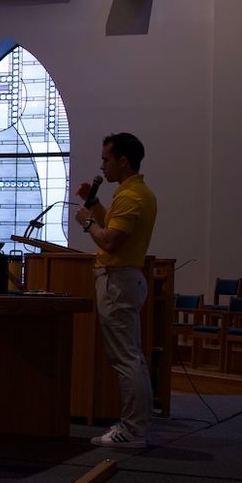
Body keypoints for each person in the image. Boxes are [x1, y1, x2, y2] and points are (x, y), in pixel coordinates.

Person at [74, 131, 160, 448]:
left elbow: (109, 241)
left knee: (126, 358)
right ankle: (136, 425)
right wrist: (94, 205)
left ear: (122, 161)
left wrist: (86, 221)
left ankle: (133, 430)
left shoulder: (130, 196)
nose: (102, 165)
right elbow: (112, 225)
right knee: (131, 356)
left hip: (117, 280)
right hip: (124, 278)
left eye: (106, 159)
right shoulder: (136, 192)